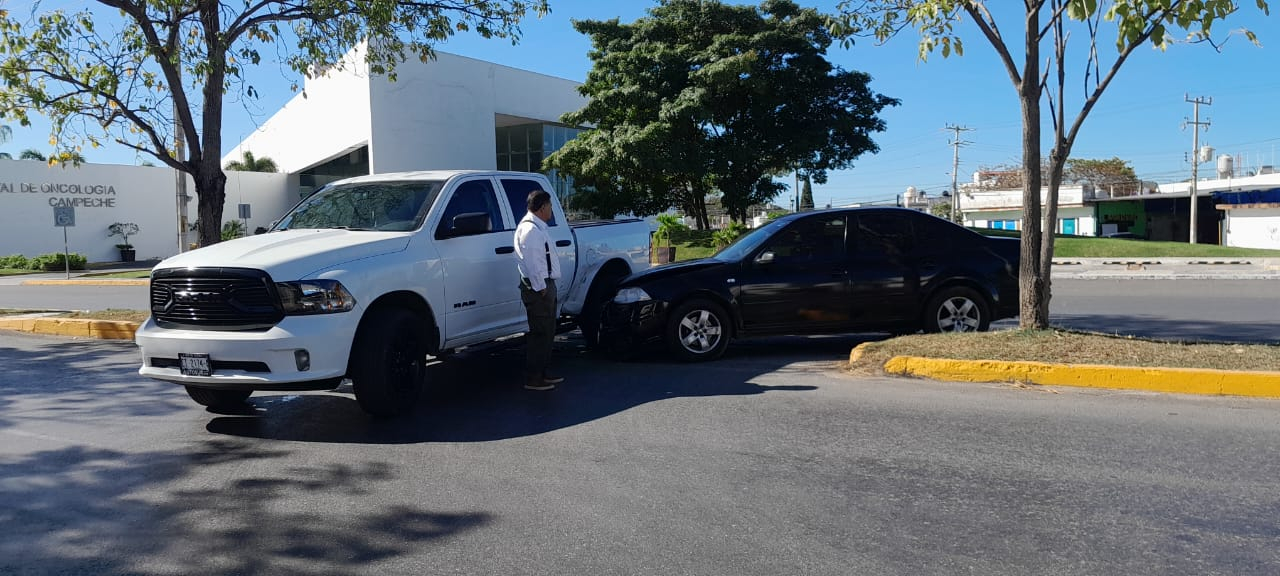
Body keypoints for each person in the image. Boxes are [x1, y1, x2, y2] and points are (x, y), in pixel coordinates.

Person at [514, 190, 564, 391]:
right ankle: (534, 378)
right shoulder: (531, 231)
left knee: (548, 331)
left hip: (544, 285)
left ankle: (543, 373)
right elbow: (533, 263)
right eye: (550, 206)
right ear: (543, 207)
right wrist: (542, 288)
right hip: (538, 288)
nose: (551, 210)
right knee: (540, 332)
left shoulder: (537, 227)